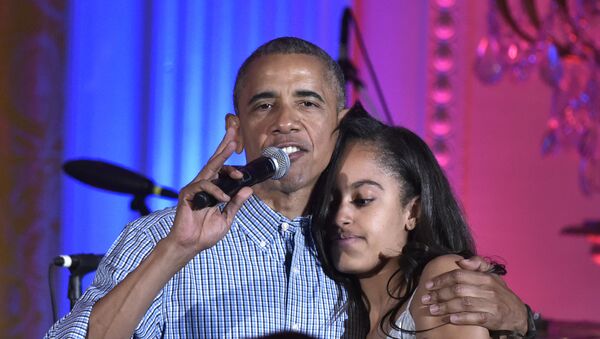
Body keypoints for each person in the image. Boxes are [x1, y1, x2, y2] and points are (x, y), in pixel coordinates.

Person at [45, 37, 533, 338]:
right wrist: (176, 249)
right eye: (264, 106)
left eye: (308, 104)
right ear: (236, 132)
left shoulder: (363, 243)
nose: (286, 123)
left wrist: (521, 320)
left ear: (339, 124)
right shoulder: (160, 238)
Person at [310, 103, 501, 338]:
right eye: (331, 202)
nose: (340, 217)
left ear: (413, 212)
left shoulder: (441, 280)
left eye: (363, 200)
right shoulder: (342, 317)